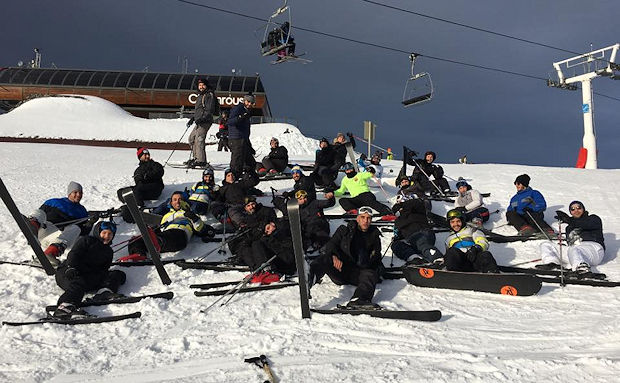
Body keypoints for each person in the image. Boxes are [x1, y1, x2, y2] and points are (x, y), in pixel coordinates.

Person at [308, 207, 383, 308]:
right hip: (340, 269)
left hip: (358, 274)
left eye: (368, 218)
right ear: (357, 218)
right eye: (363, 217)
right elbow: (330, 245)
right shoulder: (344, 231)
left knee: (370, 273)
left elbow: (376, 259)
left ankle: (359, 300)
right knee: (325, 258)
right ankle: (309, 280)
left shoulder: (374, 236)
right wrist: (334, 256)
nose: (365, 221)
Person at [52, 221, 127, 318]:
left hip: (88, 277)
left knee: (117, 274)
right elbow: (74, 254)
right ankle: (65, 307)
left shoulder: (109, 252)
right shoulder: (86, 240)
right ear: (98, 232)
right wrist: (71, 267)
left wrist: (107, 279)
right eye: (104, 233)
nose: (107, 236)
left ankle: (104, 292)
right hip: (69, 273)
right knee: (79, 282)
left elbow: (104, 269)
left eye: (110, 234)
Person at [121, 191, 210, 262]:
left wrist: (193, 217)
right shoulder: (166, 216)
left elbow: (201, 229)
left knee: (170, 234)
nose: (177, 201)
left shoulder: (190, 214)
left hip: (180, 237)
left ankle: (157, 242)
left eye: (180, 199)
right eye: (174, 199)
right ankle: (139, 254)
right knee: (135, 240)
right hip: (165, 238)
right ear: (171, 202)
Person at [27, 181, 92, 267]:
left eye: (80, 193)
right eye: (75, 192)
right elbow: (41, 215)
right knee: (39, 212)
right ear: (69, 193)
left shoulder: (82, 212)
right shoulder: (54, 202)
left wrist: (90, 223)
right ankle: (31, 228)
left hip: (58, 238)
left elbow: (82, 233)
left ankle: (51, 253)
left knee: (76, 228)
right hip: (44, 231)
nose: (78, 195)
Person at [537, 201, 605, 274]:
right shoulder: (569, 227)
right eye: (573, 209)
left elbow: (586, 224)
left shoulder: (593, 219)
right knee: (546, 244)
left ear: (583, 209)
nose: (576, 211)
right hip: (576, 252)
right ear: (570, 212)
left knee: (575, 248)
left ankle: (582, 269)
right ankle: (552, 264)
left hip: (593, 249)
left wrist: (569, 220)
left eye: (579, 208)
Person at [390, 194, 443, 265]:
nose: (399, 211)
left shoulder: (416, 210)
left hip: (422, 232)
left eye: (400, 208)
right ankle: (415, 259)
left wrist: (403, 204)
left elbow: (416, 203)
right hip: (411, 239)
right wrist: (396, 238)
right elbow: (399, 234)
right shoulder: (398, 221)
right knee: (396, 245)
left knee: (421, 242)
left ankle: (438, 259)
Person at [186, 78, 218, 167]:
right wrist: (193, 118)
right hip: (199, 121)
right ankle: (196, 157)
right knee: (191, 139)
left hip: (205, 121)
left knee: (199, 139)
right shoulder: (200, 95)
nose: (201, 87)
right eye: (200, 85)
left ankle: (201, 160)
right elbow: (199, 110)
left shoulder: (209, 95)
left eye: (203, 85)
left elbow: (209, 109)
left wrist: (202, 118)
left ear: (206, 86)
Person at [227, 94, 256, 174]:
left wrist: (249, 145)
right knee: (237, 161)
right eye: (248, 101)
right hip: (236, 138)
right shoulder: (238, 108)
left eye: (251, 103)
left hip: (243, 139)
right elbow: (230, 122)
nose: (249, 104)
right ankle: (234, 177)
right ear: (244, 101)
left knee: (250, 161)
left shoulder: (247, 111)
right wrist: (240, 117)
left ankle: (249, 176)